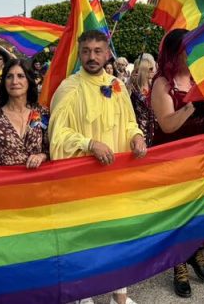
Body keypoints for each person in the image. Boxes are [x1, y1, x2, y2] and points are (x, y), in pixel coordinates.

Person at [49, 29, 146, 304]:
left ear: (107, 54)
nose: (92, 57)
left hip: (115, 181)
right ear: (80, 53)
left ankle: (120, 294)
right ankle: (85, 293)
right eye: (87, 51)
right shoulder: (69, 88)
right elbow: (57, 134)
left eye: (98, 51)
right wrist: (89, 143)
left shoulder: (117, 85)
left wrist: (136, 136)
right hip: (84, 184)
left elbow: (129, 122)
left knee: (118, 235)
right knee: (86, 240)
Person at [150, 29, 204, 299]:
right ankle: (178, 265)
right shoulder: (162, 83)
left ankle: (196, 252)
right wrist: (192, 104)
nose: (194, 51)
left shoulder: (202, 76)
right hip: (174, 158)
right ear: (175, 52)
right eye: (189, 47)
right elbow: (167, 125)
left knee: (201, 209)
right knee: (179, 213)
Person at [0, 59, 49, 167]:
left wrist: (41, 156)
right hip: (5, 183)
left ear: (29, 80)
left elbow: (51, 150)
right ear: (4, 81)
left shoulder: (42, 113)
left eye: (20, 76)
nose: (14, 81)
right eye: (9, 76)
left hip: (38, 182)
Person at [127, 55, 156, 146]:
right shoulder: (133, 90)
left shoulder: (154, 87)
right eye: (150, 68)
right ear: (144, 71)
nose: (153, 70)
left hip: (156, 132)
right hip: (140, 134)